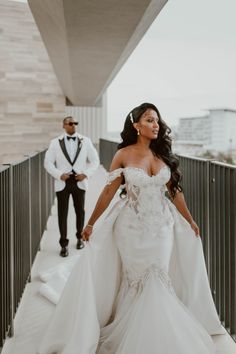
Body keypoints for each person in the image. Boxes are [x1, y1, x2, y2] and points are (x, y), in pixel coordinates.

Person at [38, 103, 224, 354]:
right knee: (137, 280)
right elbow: (108, 191)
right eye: (149, 120)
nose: (156, 124)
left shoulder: (163, 155)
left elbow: (175, 192)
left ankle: (159, 334)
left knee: (159, 277)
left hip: (162, 229)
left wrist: (190, 220)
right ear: (136, 125)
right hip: (130, 228)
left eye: (157, 120)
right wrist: (91, 223)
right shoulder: (123, 154)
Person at [44, 116, 99, 257]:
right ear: (64, 125)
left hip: (79, 182)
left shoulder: (85, 141)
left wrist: (85, 173)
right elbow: (48, 163)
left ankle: (79, 238)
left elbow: (95, 161)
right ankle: (64, 244)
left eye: (75, 123)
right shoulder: (55, 143)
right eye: (70, 123)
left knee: (80, 212)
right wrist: (58, 174)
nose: (73, 125)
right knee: (62, 214)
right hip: (63, 182)